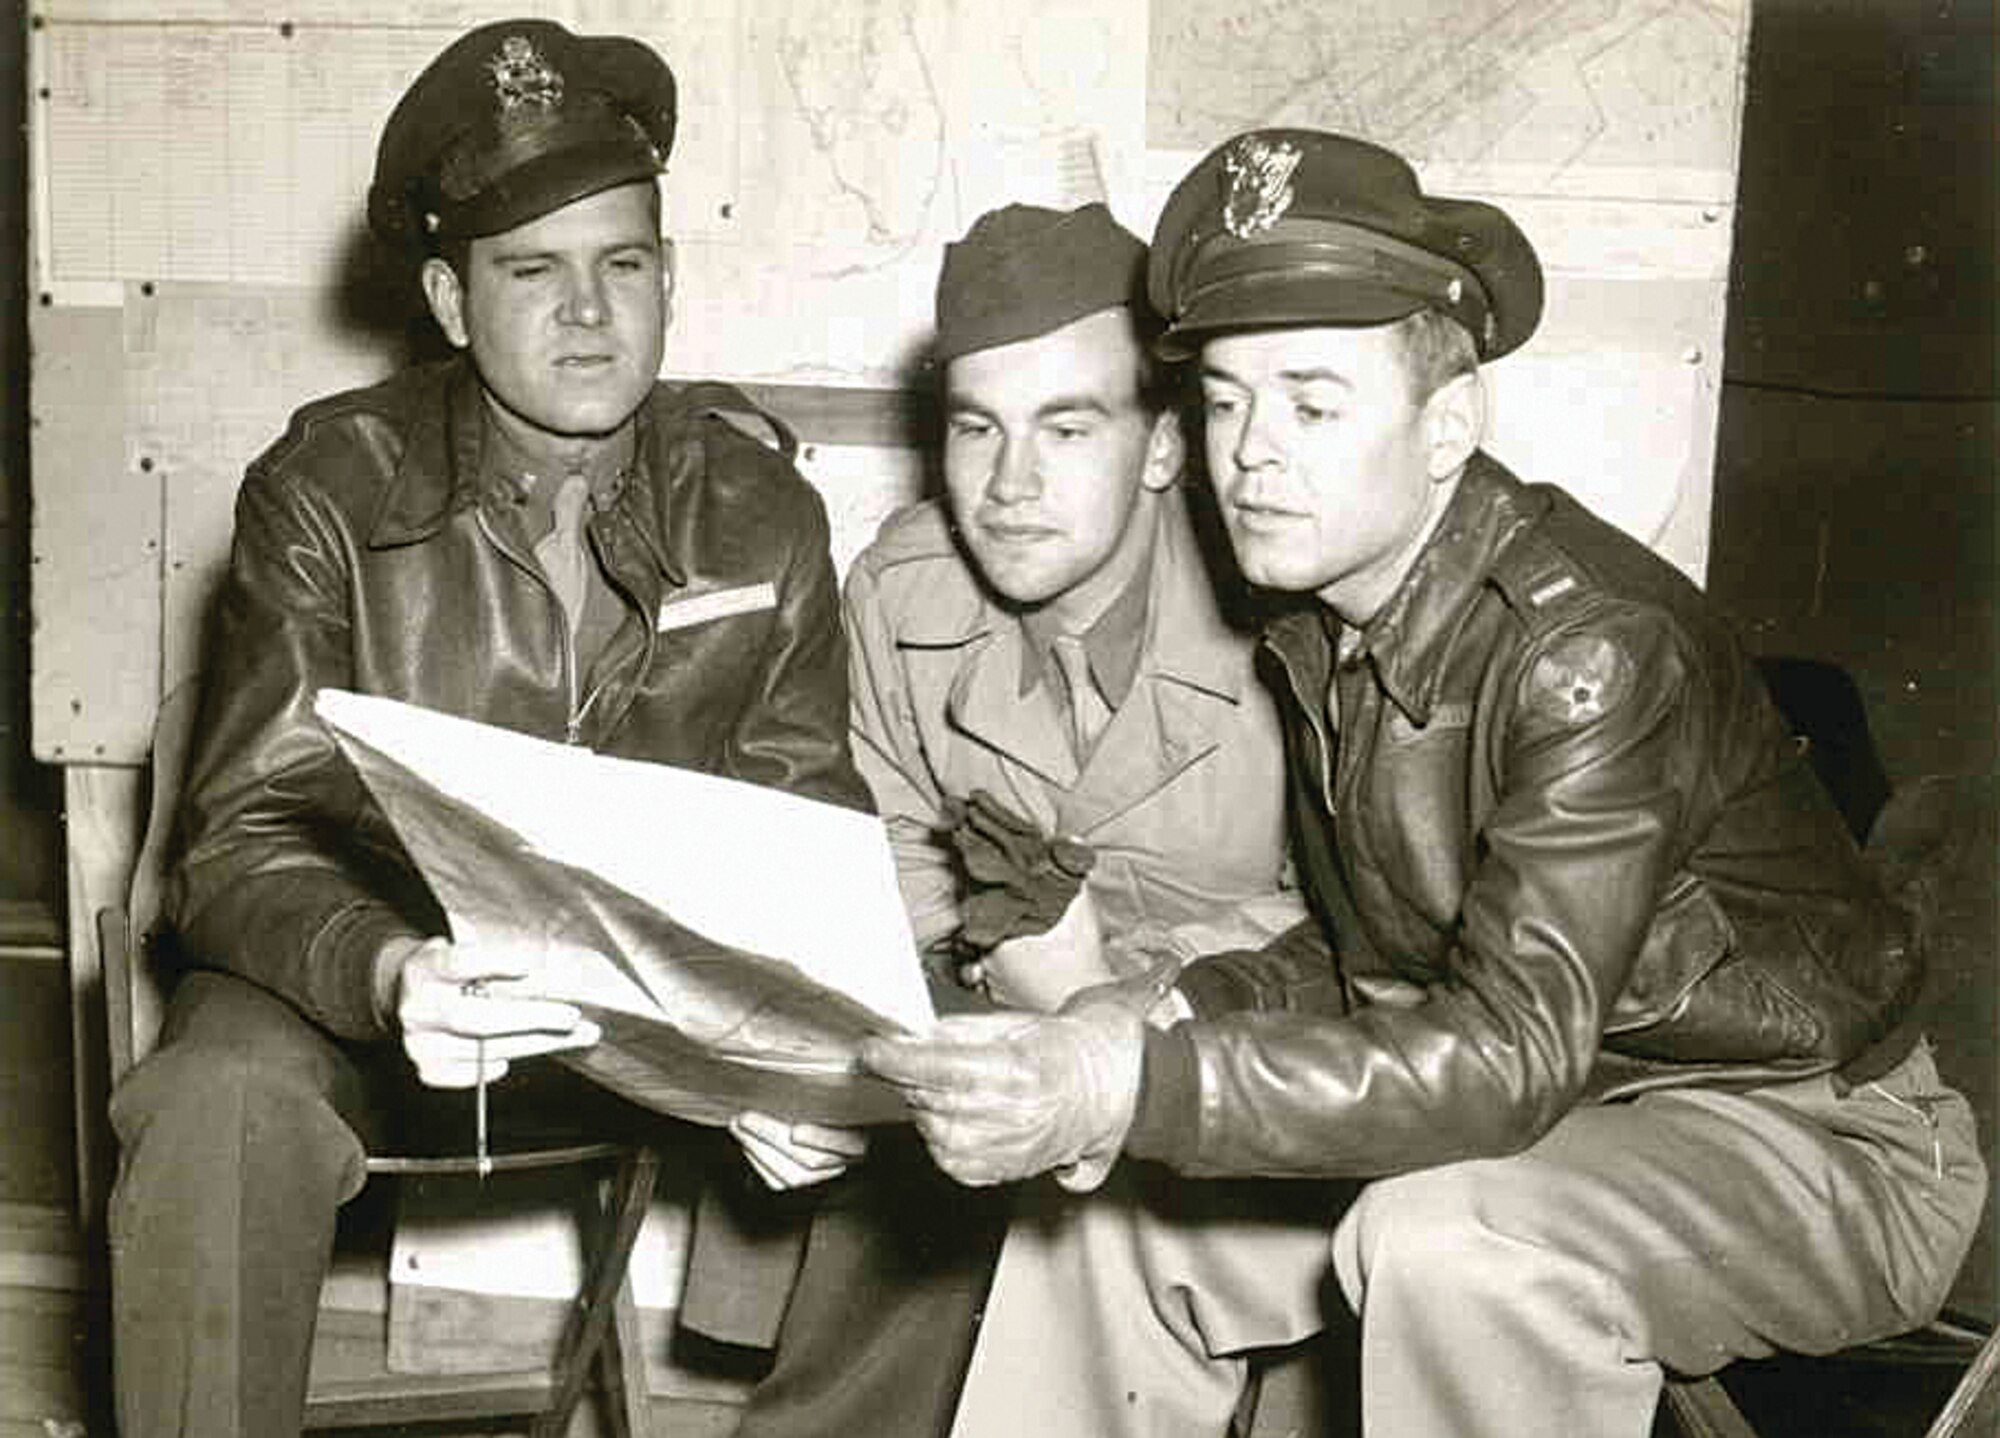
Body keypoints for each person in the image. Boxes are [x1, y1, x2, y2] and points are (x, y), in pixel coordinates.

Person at [861, 130, 1990, 1438]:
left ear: (1447, 423)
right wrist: (1139, 1027)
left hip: (1806, 1136)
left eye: (1314, 402)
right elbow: (1368, 958)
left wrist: (1144, 1081)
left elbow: (1508, 1052)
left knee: (1449, 1238)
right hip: (1548, 1104)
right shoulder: (1324, 618)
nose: (1252, 455)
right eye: (1225, 401)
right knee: (1111, 1201)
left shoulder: (1586, 649)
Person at [104, 20, 869, 1438]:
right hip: (368, 988)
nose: (590, 313)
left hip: (633, 1017)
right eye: (534, 271)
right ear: (452, 300)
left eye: (623, 264)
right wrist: (389, 969)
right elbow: (240, 841)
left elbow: (801, 829)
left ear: (668, 278)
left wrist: (769, 1050)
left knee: (957, 1093)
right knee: (215, 1110)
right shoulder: (326, 486)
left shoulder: (763, 510)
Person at [724, 202, 1318, 1438]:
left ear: (1162, 446)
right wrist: (813, 1050)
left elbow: (1362, 939)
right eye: (976, 428)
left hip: (1243, 1051)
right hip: (1004, 1020)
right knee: (910, 1156)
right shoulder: (902, 591)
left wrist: (1113, 1001)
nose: (1007, 486)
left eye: (1066, 427)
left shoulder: (1293, 617)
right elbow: (882, 874)